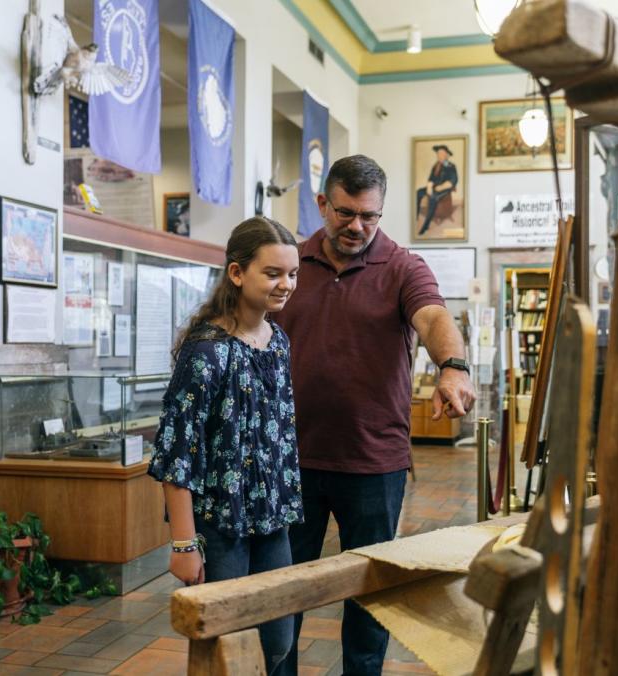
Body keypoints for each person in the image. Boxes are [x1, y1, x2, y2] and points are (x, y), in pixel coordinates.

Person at [273, 155, 476, 675]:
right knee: (281, 592)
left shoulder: (404, 266)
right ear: (322, 203)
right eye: (345, 213)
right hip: (291, 460)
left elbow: (432, 316)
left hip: (373, 464)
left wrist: (452, 368)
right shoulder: (291, 264)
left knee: (369, 594)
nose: (357, 226)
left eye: (370, 216)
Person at [148, 216, 303, 674]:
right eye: (272, 273)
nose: (286, 285)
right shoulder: (207, 351)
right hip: (221, 525)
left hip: (272, 518)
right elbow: (176, 453)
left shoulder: (279, 342)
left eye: (292, 274)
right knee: (225, 650)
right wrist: (183, 544)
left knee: (278, 640)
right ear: (236, 273)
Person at [415, 144, 459, 235]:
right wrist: (430, 187)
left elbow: (453, 181)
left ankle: (425, 225)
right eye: (438, 154)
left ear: (446, 155)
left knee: (433, 198)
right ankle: (415, 216)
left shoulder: (450, 166)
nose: (439, 156)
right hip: (435, 187)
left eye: (442, 154)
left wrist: (441, 187)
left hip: (445, 188)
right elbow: (431, 178)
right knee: (419, 192)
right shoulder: (436, 165)